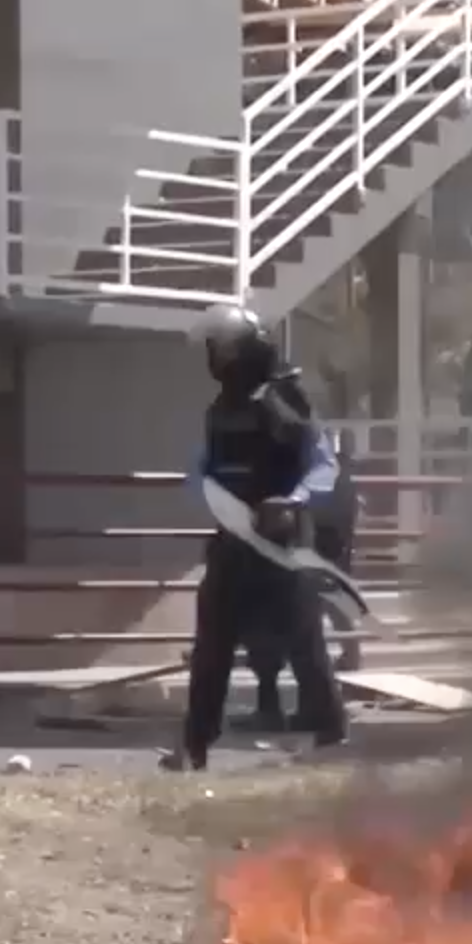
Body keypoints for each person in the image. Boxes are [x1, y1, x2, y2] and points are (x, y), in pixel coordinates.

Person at [167, 304, 347, 772]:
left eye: (218, 346)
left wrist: (292, 501)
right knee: (212, 642)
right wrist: (205, 490)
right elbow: (204, 466)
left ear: (238, 347)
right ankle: (195, 745)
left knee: (304, 640)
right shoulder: (220, 407)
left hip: (284, 542)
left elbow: (323, 462)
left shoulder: (285, 396)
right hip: (234, 538)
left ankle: (330, 734)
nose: (213, 356)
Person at [241, 421, 359, 731]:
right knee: (295, 638)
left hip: (298, 559)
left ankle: (305, 710)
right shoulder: (323, 474)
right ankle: (305, 709)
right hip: (298, 557)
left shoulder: (316, 476)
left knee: (291, 637)